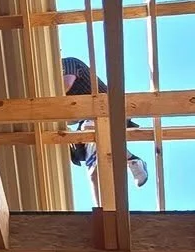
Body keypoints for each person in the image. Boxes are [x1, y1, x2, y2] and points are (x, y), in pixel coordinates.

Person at [61, 55, 149, 190]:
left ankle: (132, 161)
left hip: (109, 110)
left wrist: (48, 105)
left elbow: (66, 84)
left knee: (89, 131)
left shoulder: (67, 63)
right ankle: (132, 160)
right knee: (93, 167)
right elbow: (71, 119)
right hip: (96, 118)